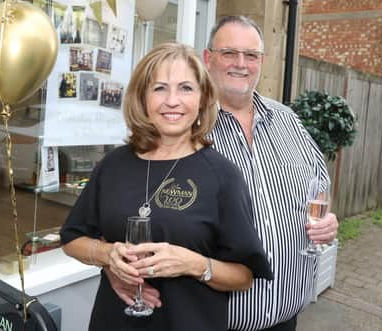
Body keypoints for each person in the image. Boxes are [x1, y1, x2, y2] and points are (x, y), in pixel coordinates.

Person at [106, 16, 339, 331]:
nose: (240, 64)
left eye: (251, 55)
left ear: (261, 62)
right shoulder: (182, 124)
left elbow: (318, 183)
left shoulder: (289, 121)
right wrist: (113, 268)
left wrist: (324, 219)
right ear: (208, 59)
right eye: (229, 53)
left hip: (286, 317)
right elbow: (126, 206)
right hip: (212, 321)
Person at [60, 43, 273, 331]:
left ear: (202, 98)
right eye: (159, 88)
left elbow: (244, 276)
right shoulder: (113, 165)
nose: (172, 101)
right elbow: (72, 239)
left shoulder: (223, 176)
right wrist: (108, 256)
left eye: (185, 88)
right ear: (142, 98)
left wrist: (193, 264)